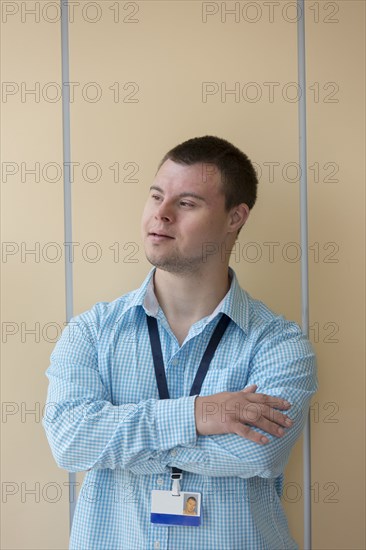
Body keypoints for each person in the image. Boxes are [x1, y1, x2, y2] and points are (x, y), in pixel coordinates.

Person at [43, 135, 318, 550]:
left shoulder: (280, 345)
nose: (161, 214)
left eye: (186, 203)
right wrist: (198, 413)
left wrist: (117, 442)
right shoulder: (91, 332)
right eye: (156, 196)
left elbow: (258, 456)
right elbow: (71, 441)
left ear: (235, 218)